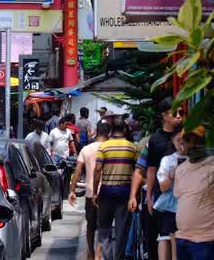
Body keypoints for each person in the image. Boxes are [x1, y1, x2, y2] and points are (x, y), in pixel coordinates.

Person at [170, 128, 214, 260]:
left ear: (204, 143)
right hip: (182, 238)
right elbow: (181, 200)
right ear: (182, 143)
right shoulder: (181, 169)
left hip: (207, 240)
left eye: (198, 141)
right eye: (188, 140)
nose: (193, 145)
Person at [129, 97, 184, 260]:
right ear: (164, 116)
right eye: (176, 113)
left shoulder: (188, 135)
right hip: (163, 197)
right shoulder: (155, 140)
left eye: (182, 112)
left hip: (185, 197)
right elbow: (149, 170)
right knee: (163, 236)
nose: (179, 116)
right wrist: (148, 197)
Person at [93, 117, 138, 260]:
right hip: (125, 192)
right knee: (121, 230)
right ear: (124, 130)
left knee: (104, 228)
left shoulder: (103, 147)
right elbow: (137, 171)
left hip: (106, 192)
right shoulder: (132, 147)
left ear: (111, 131)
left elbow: (97, 171)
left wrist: (95, 192)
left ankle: (107, 257)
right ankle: (118, 257)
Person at [70, 120, 109, 260]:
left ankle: (91, 253)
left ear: (96, 131)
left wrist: (72, 191)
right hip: (106, 193)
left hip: (90, 193)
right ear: (108, 133)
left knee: (91, 226)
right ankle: (99, 253)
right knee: (104, 225)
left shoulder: (86, 149)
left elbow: (78, 172)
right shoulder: (109, 148)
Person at [151, 133, 185, 260]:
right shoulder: (168, 160)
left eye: (185, 140)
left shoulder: (196, 160)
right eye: (178, 140)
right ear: (172, 140)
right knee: (170, 237)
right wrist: (172, 175)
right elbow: (163, 187)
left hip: (190, 204)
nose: (182, 144)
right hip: (172, 206)